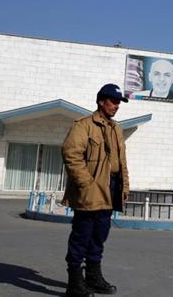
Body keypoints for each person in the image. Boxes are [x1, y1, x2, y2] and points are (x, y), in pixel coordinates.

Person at [61, 83, 130, 297]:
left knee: (100, 235)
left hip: (110, 188)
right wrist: (86, 184)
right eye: (113, 101)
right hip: (91, 189)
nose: (116, 106)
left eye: (119, 102)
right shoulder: (83, 125)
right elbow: (71, 154)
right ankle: (74, 282)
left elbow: (121, 160)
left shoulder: (116, 128)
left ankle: (92, 277)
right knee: (82, 235)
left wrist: (125, 185)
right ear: (101, 101)